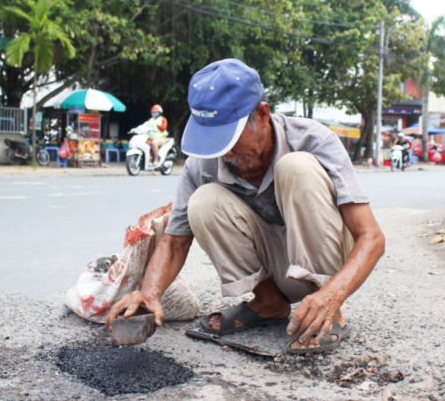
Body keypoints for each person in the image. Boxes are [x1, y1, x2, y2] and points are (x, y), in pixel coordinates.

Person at [106, 59, 385, 354]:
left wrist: (333, 295)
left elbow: (372, 237)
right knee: (203, 201)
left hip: (328, 265)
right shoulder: (204, 164)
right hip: (278, 269)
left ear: (262, 115)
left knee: (296, 167)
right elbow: (174, 242)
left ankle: (326, 310)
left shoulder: (313, 139)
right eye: (213, 139)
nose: (224, 151)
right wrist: (148, 294)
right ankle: (268, 303)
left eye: (230, 137)